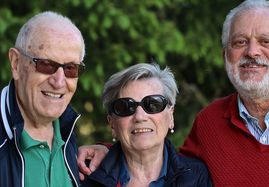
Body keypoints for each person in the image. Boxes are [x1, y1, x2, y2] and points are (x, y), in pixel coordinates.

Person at [78, 0, 269, 186]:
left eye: (266, 41)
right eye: (240, 42)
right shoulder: (210, 123)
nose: (252, 51)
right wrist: (108, 151)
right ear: (225, 55)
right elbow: (161, 162)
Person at [0, 11, 85, 187]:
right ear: (16, 64)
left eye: (70, 69)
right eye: (46, 64)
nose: (59, 81)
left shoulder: (68, 136)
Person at [81, 63, 212, 187]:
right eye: (126, 107)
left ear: (170, 116)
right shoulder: (87, 174)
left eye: (153, 104)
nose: (139, 116)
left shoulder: (196, 176)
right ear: (112, 123)